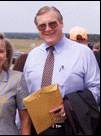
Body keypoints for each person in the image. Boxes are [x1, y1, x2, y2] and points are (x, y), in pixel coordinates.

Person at [23, 6, 100, 135]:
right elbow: (23, 95)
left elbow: (97, 90)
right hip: (36, 130)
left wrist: (71, 105)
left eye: (52, 24)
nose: (48, 29)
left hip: (71, 128)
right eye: (42, 26)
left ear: (62, 23)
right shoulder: (32, 56)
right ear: (37, 28)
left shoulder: (83, 53)